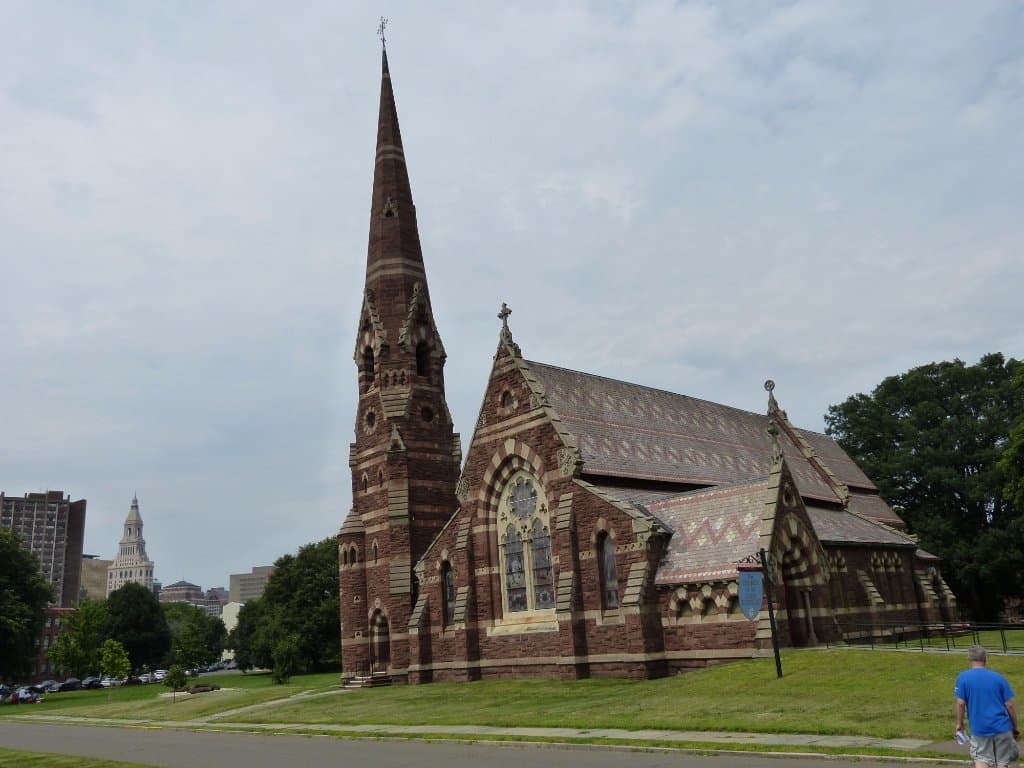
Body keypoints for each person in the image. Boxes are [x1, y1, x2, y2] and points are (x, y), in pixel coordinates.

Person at [955, 645, 1019, 768]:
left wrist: (960, 723)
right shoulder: (998, 678)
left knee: (981, 758)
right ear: (986, 659)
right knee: (1004, 761)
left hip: (980, 728)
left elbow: (961, 703)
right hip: (1002, 726)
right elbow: (1009, 705)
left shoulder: (963, 678)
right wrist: (1015, 726)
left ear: (969, 659)